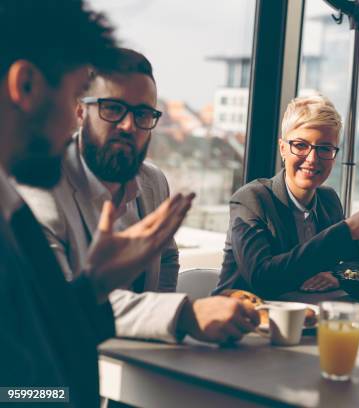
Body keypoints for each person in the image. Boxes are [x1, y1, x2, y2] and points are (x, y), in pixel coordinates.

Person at [0, 2, 194, 406]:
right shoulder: (28, 204)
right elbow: (22, 392)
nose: (73, 126)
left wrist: (94, 286)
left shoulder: (10, 204)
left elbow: (39, 354)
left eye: (142, 115)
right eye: (76, 95)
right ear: (27, 87)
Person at [18, 48, 259, 344]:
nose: (128, 126)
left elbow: (167, 257)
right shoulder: (42, 186)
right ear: (81, 110)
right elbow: (60, 299)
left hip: (142, 357)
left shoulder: (153, 181)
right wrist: (181, 314)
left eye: (143, 113)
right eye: (112, 108)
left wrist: (159, 334)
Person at [214, 94, 359, 298]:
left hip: (305, 321)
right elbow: (262, 278)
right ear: (283, 148)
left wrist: (338, 276)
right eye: (300, 145)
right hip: (241, 320)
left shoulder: (328, 201)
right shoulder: (251, 199)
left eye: (324, 148)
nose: (312, 158)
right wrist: (346, 230)